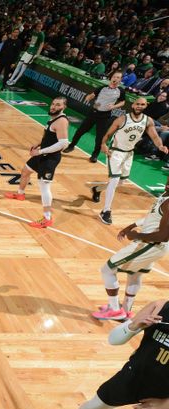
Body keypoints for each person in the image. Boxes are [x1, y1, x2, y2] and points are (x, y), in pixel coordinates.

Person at [91, 176, 169, 321]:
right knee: (135, 274)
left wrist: (137, 235)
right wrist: (133, 225)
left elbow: (164, 236)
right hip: (153, 245)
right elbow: (154, 217)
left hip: (151, 244)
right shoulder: (166, 195)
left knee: (107, 270)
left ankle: (114, 310)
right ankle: (126, 312)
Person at [91, 97, 168, 225]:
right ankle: (106, 211)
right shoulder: (122, 119)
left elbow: (154, 135)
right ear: (133, 105)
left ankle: (97, 189)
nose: (139, 106)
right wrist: (103, 144)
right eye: (137, 104)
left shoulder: (147, 120)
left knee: (121, 182)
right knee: (114, 180)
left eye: (142, 104)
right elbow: (108, 134)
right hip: (115, 151)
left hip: (129, 153)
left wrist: (160, 146)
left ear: (146, 106)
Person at [4, 97, 70, 228]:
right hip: (42, 153)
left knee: (44, 187)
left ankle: (47, 218)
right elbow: (50, 137)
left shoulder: (61, 121)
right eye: (53, 104)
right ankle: (20, 194)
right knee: (25, 171)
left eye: (57, 105)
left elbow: (63, 144)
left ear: (64, 107)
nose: (53, 107)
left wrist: (40, 152)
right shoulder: (53, 118)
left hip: (49, 159)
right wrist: (39, 144)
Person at [63, 72, 126, 163]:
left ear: (120, 80)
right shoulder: (102, 88)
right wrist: (89, 97)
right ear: (111, 78)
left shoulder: (121, 91)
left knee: (100, 137)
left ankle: (94, 155)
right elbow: (90, 96)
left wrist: (114, 106)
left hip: (105, 116)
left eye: (118, 77)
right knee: (80, 131)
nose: (116, 79)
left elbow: (122, 102)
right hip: (93, 113)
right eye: (114, 77)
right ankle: (71, 146)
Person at [6, 21, 44, 87]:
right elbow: (33, 42)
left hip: (33, 52)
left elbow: (41, 45)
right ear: (36, 26)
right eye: (38, 26)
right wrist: (29, 44)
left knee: (23, 67)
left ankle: (15, 81)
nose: (39, 27)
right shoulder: (34, 32)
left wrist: (37, 54)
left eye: (40, 26)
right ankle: (11, 78)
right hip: (28, 50)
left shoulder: (41, 34)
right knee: (19, 65)